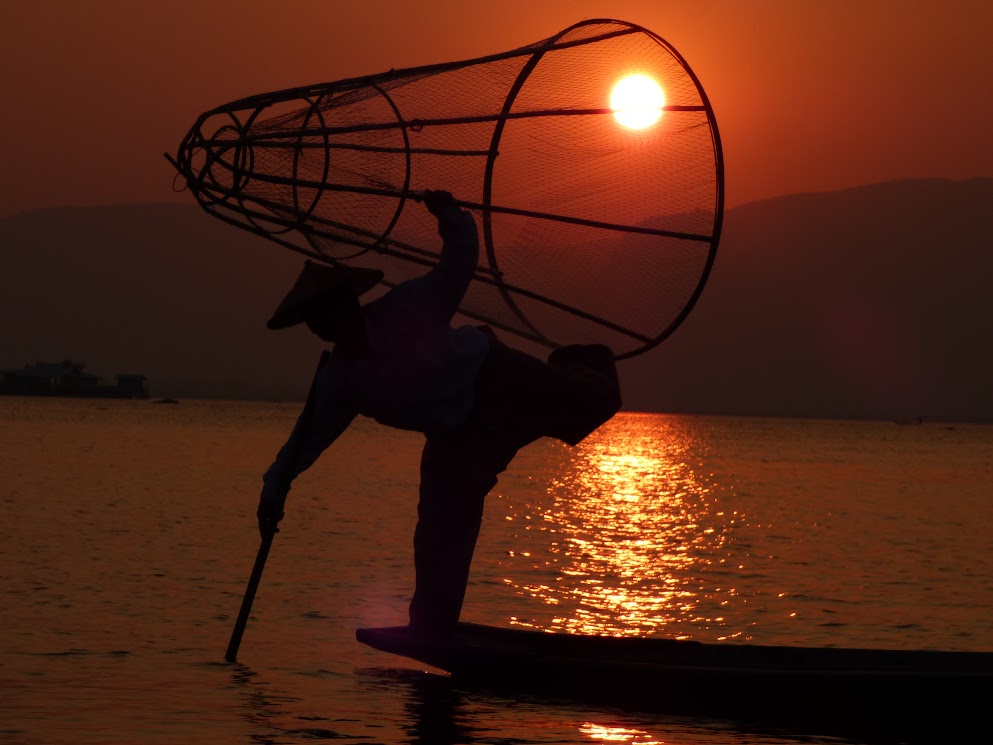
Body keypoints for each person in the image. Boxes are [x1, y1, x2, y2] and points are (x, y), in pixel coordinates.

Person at [259, 189, 621, 637]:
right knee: (439, 529)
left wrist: (449, 214)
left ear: (349, 304)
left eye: (331, 310)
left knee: (595, 399)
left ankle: (577, 362)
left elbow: (459, 262)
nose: (327, 323)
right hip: (458, 435)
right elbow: (305, 441)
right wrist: (273, 492)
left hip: (495, 376)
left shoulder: (406, 308)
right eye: (318, 319)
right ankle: (432, 629)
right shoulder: (339, 383)